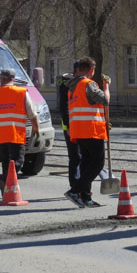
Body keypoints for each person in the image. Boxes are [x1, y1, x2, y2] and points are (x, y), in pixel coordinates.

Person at [0, 68, 40, 196]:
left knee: (6, 162)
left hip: (0, 135)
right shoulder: (22, 92)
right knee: (18, 161)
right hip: (15, 134)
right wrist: (36, 129)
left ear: (2, 79)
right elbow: (32, 114)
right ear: (13, 79)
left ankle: (6, 190)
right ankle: (5, 182)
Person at [65, 56, 109, 208]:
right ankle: (75, 191)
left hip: (78, 131)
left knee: (86, 164)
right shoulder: (89, 84)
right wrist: (106, 87)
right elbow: (105, 100)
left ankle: (86, 197)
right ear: (91, 70)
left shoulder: (72, 87)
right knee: (97, 163)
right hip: (91, 130)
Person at [57, 60, 82, 204]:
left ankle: (79, 187)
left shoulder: (80, 83)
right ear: (77, 70)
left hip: (80, 126)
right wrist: (68, 125)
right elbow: (64, 106)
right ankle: (75, 187)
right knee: (75, 157)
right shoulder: (67, 84)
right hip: (70, 127)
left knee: (81, 157)